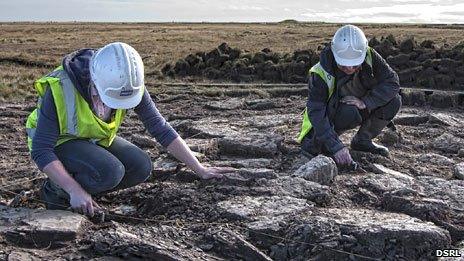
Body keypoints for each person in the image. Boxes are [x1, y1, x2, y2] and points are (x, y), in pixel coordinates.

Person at [26, 42, 233, 216]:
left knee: (141, 166)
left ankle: (86, 193)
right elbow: (41, 149)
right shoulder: (61, 88)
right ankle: (56, 192)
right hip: (58, 142)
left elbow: (159, 127)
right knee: (110, 170)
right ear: (95, 81)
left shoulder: (128, 83)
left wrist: (200, 168)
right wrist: (74, 189)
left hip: (93, 138)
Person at [297, 25, 401, 167]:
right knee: (349, 111)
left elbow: (392, 82)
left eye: (354, 65)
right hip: (319, 128)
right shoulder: (320, 73)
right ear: (335, 54)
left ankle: (362, 141)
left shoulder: (370, 55)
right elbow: (316, 112)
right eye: (344, 65)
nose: (349, 69)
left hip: (356, 106)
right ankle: (327, 145)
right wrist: (336, 147)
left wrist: (366, 102)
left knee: (394, 101)